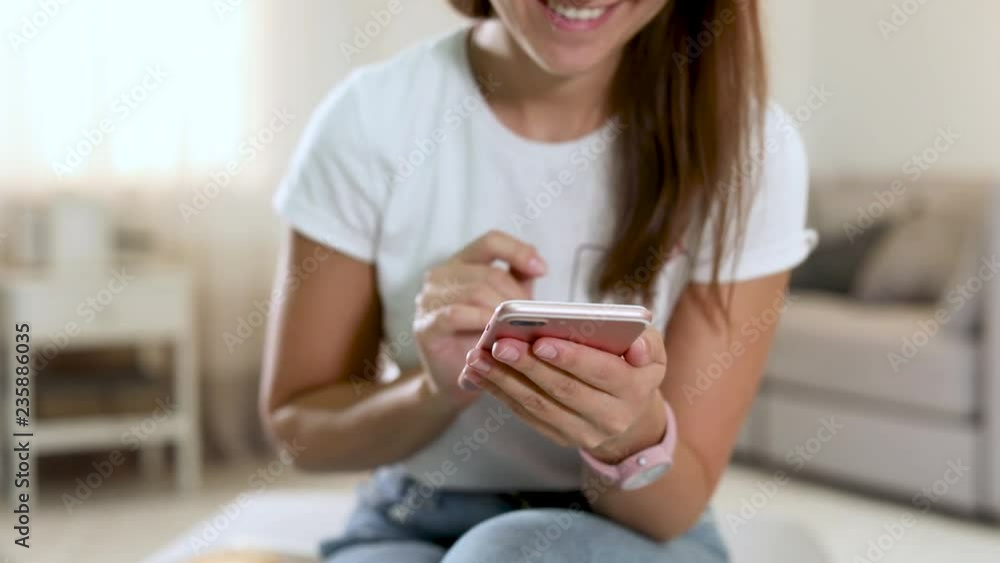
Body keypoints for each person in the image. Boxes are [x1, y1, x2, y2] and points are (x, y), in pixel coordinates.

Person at [261, 1, 816, 562]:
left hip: (633, 531)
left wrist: (627, 435)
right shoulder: (371, 119)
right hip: (409, 522)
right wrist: (433, 392)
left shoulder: (751, 147)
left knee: (506, 552)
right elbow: (299, 430)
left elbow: (670, 509)